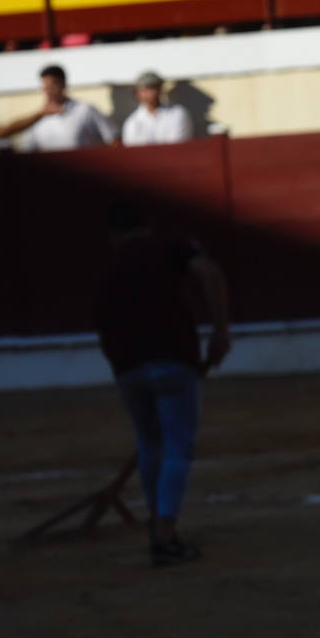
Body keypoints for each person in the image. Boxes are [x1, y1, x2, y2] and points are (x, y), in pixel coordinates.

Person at [95, 202, 231, 567]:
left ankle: (158, 527)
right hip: (172, 361)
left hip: (126, 368)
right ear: (147, 226)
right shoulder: (170, 246)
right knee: (176, 446)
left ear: (113, 236)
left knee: (150, 443)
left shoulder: (109, 268)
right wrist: (220, 332)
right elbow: (210, 274)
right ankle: (165, 534)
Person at [26, 64, 118, 152]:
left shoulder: (86, 109)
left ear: (63, 84)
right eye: (46, 86)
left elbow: (114, 140)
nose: (49, 90)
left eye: (53, 85)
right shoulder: (36, 119)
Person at [121, 71, 192, 145]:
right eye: (144, 89)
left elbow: (179, 146)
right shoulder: (132, 122)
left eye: (153, 88)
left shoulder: (178, 113)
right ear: (137, 93)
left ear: (160, 89)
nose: (150, 93)